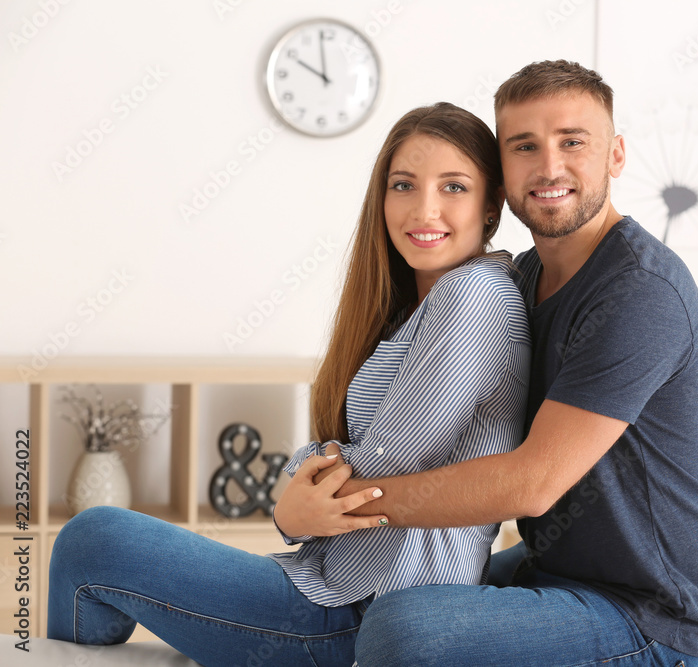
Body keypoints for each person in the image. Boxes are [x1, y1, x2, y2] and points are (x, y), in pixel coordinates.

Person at [46, 102, 531, 667]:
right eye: (404, 185)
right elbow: (344, 458)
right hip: (328, 589)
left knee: (93, 540)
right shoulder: (412, 308)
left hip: (365, 615)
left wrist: (293, 498)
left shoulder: (474, 294)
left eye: (454, 186)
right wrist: (293, 502)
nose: (425, 208)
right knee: (93, 545)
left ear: (491, 205)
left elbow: (380, 468)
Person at [321, 60, 698, 667]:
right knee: (368, 604)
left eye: (572, 143)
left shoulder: (640, 292)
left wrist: (346, 506)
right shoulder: (525, 277)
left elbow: (531, 484)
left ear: (616, 155)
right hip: (554, 570)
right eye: (524, 146)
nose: (548, 167)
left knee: (403, 628)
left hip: (647, 614)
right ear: (501, 171)